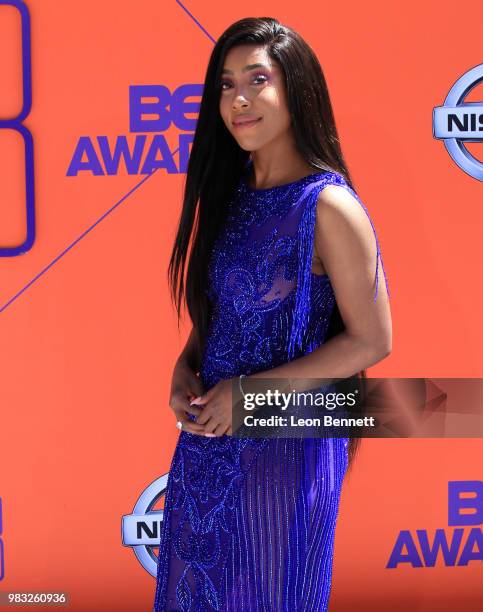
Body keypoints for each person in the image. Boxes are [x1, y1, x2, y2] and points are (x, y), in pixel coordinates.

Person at [153, 16, 392, 612]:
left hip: (286, 452)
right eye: (226, 84)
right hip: (209, 447)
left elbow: (372, 339)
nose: (238, 99)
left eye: (257, 80)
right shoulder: (229, 195)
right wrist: (188, 366)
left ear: (296, 89)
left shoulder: (328, 206)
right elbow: (224, 311)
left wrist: (250, 397)